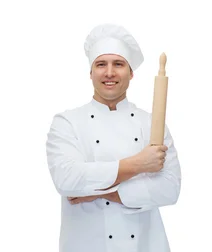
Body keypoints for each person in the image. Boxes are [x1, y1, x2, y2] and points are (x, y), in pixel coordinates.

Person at [45, 23, 181, 252]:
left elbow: (170, 189)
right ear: (90, 73)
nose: (109, 73)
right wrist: (139, 164)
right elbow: (67, 179)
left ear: (131, 73)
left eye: (118, 64)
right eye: (101, 64)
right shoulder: (67, 123)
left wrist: (103, 192)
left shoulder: (151, 124)